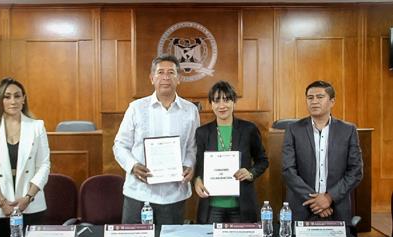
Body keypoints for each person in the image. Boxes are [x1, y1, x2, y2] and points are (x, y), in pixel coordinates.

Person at [113, 54, 200, 225]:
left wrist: (189, 165)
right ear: (152, 78)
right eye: (160, 72)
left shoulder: (190, 111)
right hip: (139, 193)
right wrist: (132, 166)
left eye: (171, 72)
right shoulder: (136, 108)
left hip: (174, 194)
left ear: (179, 78)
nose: (166, 77)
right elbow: (120, 145)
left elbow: (192, 147)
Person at [0, 77, 50, 237]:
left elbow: (44, 165)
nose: (13, 101)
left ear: (24, 98)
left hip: (30, 205)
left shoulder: (37, 126)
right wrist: (1, 201)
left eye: (17, 96)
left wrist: (28, 198)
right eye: (7, 96)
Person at [282, 80, 363, 225]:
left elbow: (355, 171)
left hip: (336, 207)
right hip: (302, 206)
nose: (314, 101)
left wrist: (329, 198)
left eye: (320, 97)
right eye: (310, 98)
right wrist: (316, 201)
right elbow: (288, 170)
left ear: (332, 101)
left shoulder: (348, 130)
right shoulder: (293, 129)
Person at [194, 80, 269, 223]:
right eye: (216, 101)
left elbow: (262, 160)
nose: (222, 105)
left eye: (227, 100)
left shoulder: (248, 130)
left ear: (234, 102)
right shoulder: (202, 133)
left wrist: (251, 173)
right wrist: (197, 180)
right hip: (211, 204)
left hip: (242, 204)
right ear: (211, 104)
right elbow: (198, 163)